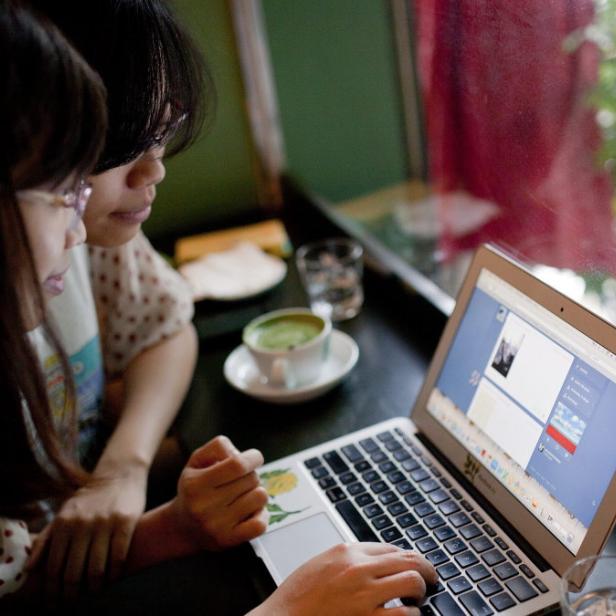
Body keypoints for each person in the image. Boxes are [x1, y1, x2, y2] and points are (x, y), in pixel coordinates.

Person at [1, 4, 438, 613]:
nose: (75, 230)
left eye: (163, 131)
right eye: (60, 190)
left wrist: (169, 527)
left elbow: (19, 571)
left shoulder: (68, 251)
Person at [22, 0, 213, 593]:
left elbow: (166, 326)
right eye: (126, 139)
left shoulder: (81, 233)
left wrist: (124, 466)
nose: (153, 170)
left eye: (164, 126)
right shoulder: (51, 232)